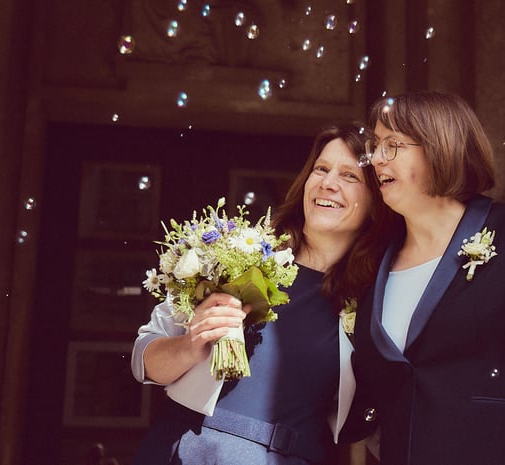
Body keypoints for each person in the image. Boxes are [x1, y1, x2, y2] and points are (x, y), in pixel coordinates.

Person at [346, 92, 505, 465]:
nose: (377, 159)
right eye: (374, 146)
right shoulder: (374, 263)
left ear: (440, 147)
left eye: (393, 145)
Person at [131, 125, 392, 465]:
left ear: (375, 203)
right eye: (321, 169)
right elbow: (143, 360)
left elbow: (387, 420)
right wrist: (189, 344)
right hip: (190, 451)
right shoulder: (236, 255)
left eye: (349, 176)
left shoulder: (374, 302)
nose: (329, 183)